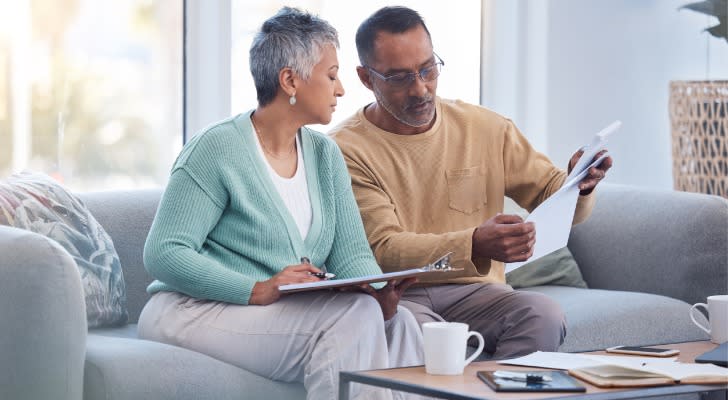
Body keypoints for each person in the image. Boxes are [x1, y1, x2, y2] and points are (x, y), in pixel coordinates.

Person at [138, 7, 423, 400]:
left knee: (400, 322)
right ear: (290, 80)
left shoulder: (325, 155)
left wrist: (378, 291)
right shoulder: (216, 148)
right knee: (352, 319)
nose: (341, 89)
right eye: (332, 75)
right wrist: (258, 288)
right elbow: (164, 253)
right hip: (192, 310)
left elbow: (353, 255)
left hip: (266, 313)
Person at [330, 6, 613, 359]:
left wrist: (579, 184)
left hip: (480, 293)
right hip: (402, 295)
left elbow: (549, 194)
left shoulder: (486, 127)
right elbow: (385, 251)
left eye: (428, 69)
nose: (421, 88)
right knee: (408, 334)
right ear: (366, 78)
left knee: (544, 314)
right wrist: (475, 244)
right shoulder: (344, 149)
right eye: (400, 78)